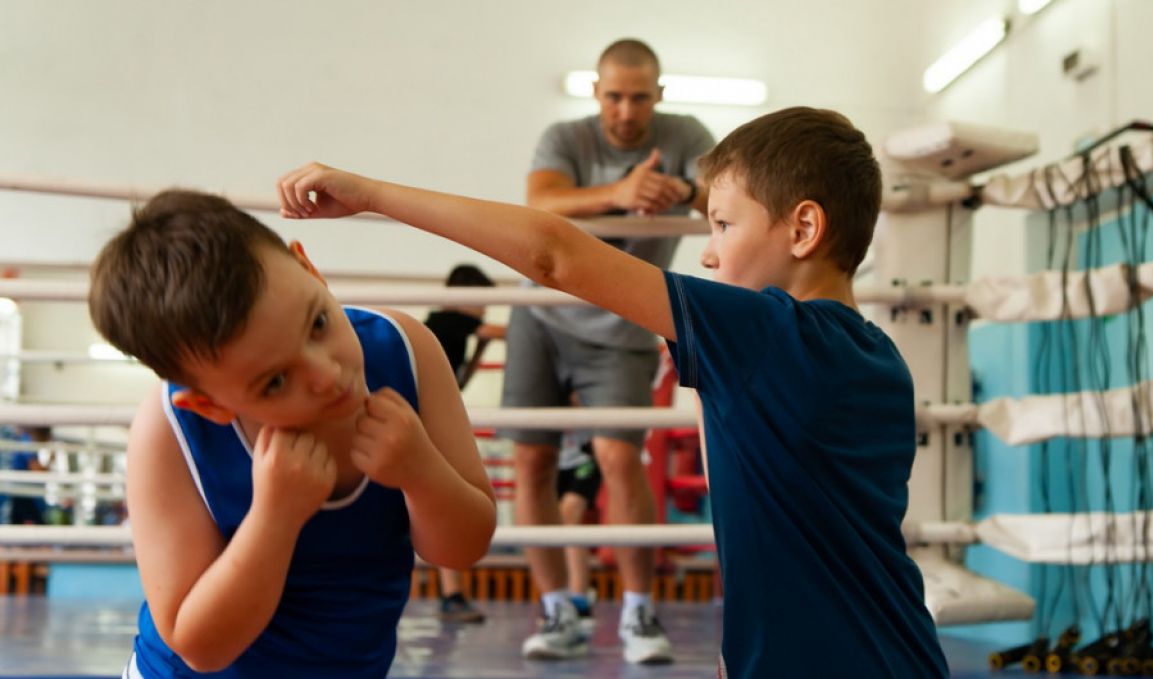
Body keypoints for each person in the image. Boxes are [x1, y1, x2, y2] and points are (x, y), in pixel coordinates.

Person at [275, 105, 950, 678]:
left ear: (803, 229)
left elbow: (555, 255)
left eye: (723, 224)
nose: (708, 253)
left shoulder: (767, 334)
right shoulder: (880, 360)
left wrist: (371, 195)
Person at [88, 190, 496, 678]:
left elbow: (463, 549)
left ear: (310, 270)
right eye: (276, 381)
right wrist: (274, 518)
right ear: (211, 405)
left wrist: (422, 472)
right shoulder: (169, 431)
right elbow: (200, 647)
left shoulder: (405, 351)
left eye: (318, 323)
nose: (327, 375)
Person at [501, 37, 714, 664]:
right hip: (541, 316)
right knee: (532, 461)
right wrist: (621, 192)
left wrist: (678, 189)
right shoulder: (566, 137)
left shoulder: (685, 136)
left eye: (639, 97)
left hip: (622, 326)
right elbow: (541, 201)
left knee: (620, 458)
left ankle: (638, 612)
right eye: (614, 96)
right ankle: (557, 611)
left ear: (659, 94)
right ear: (596, 92)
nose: (626, 110)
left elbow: (726, 193)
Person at [423, 263, 506, 624]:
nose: (484, 308)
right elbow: (504, 332)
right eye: (481, 299)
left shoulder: (451, 327)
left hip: (431, 419)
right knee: (444, 503)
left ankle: (452, 593)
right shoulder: (447, 319)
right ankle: (451, 594)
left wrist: (479, 351)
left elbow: (459, 384)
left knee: (445, 502)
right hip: (426, 422)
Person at [555, 432, 602, 634]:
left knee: (569, 515)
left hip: (585, 455)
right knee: (553, 524)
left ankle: (578, 598)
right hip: (552, 456)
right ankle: (557, 598)